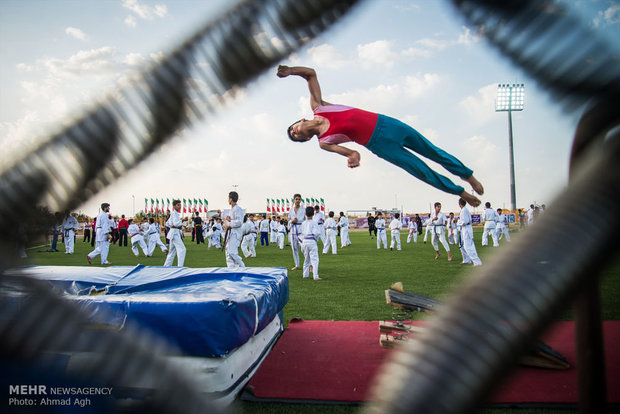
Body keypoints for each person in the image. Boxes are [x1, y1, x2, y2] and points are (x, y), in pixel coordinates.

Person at [277, 65, 484, 206]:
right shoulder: (324, 142)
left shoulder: (319, 106)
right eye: (295, 136)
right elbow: (353, 153)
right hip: (379, 144)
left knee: (433, 152)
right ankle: (459, 192)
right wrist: (352, 158)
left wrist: (290, 71)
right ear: (305, 139)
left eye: (293, 128)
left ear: (301, 120)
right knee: (420, 170)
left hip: (387, 124)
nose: (294, 132)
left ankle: (468, 176)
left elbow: (311, 74)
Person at [457, 198, 482, 266]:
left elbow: (465, 221)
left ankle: (477, 262)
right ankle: (466, 260)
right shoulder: (463, 210)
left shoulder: (464, 210)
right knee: (462, 246)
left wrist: (458, 223)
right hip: (464, 229)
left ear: (459, 204)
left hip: (466, 229)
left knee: (468, 246)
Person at [223, 191, 245, 268]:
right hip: (230, 233)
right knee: (228, 253)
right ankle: (231, 269)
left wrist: (229, 222)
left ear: (231, 199)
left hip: (235, 234)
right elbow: (230, 220)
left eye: (228, 198)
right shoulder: (232, 210)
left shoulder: (238, 209)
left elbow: (239, 222)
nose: (228, 200)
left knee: (232, 252)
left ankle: (242, 267)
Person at [300, 206, 322, 280]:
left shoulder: (303, 223)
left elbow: (301, 234)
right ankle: (315, 276)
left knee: (306, 259)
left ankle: (305, 275)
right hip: (312, 241)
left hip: (304, 241)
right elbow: (317, 233)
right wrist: (315, 240)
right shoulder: (314, 223)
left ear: (305, 214)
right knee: (315, 259)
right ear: (313, 214)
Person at [164, 199, 186, 267]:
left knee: (172, 251)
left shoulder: (174, 214)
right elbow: (176, 224)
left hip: (174, 232)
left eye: (180, 205)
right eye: (178, 205)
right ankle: (180, 267)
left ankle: (166, 266)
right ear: (174, 206)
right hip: (174, 233)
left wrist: (172, 226)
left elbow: (167, 224)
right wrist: (183, 220)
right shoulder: (174, 214)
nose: (180, 207)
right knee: (182, 249)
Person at [288, 194, 305, 270]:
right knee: (294, 249)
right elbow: (288, 220)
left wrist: (299, 221)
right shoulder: (291, 210)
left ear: (300, 200)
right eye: (296, 199)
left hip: (301, 231)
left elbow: (306, 220)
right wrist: (292, 221)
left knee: (304, 248)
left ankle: (309, 264)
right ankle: (297, 264)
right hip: (293, 231)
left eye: (299, 199)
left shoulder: (303, 210)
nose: (297, 200)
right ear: (293, 200)